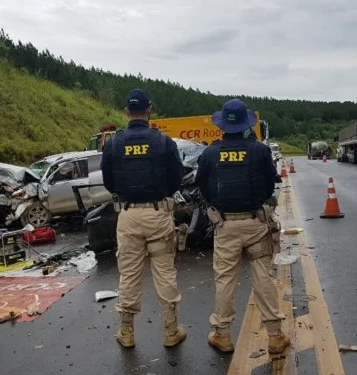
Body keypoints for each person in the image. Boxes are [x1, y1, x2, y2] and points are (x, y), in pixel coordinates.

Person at [196, 99, 289, 355]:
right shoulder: (259, 150)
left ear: (223, 124)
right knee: (263, 277)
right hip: (256, 223)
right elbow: (271, 184)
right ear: (247, 124)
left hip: (225, 225)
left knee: (225, 279)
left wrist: (215, 206)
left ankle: (223, 335)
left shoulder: (211, 153)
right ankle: (275, 335)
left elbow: (201, 185)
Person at [100, 89, 186, 348]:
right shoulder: (163, 142)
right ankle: (171, 330)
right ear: (149, 110)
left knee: (128, 274)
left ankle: (126, 332)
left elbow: (108, 180)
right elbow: (177, 178)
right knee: (165, 271)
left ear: (126, 112)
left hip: (127, 215)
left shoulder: (114, 143)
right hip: (159, 213)